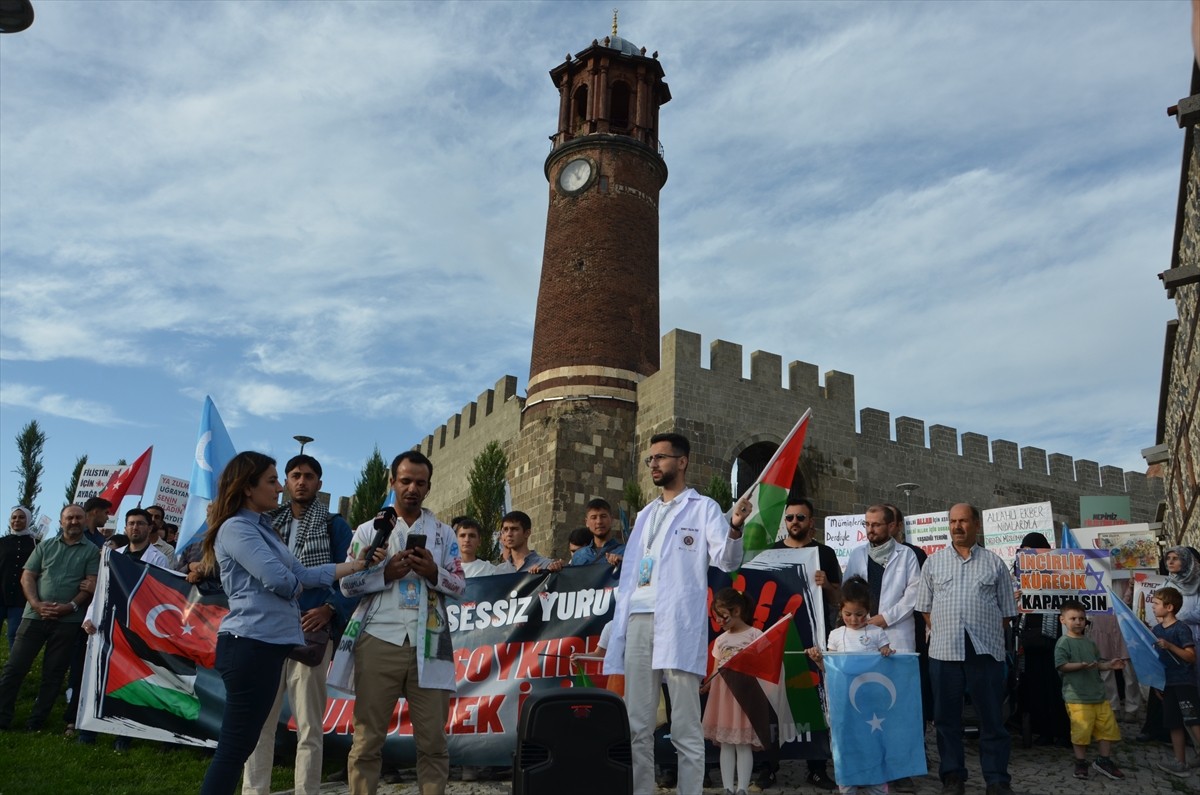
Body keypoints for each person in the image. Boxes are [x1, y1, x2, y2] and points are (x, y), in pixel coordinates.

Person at [197, 452, 367, 795]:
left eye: (280, 480)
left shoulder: (264, 528)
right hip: (250, 645)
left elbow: (302, 572)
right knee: (235, 747)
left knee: (246, 742)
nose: (281, 488)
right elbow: (279, 579)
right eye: (274, 480)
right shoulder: (237, 527)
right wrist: (295, 587)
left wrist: (356, 566)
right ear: (248, 487)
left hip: (271, 645)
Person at [603, 432, 748, 795]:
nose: (653, 464)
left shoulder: (703, 508)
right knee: (637, 723)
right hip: (638, 619)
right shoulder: (645, 514)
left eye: (661, 458)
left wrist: (735, 526)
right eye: (650, 459)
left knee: (685, 723)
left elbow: (728, 560)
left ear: (682, 462)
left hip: (677, 622)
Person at [339, 450, 466, 795]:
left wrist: (433, 572)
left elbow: (460, 585)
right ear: (392, 481)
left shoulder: (443, 534)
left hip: (430, 641)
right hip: (379, 638)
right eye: (406, 481)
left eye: (420, 483)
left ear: (428, 487)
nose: (412, 489)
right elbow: (346, 585)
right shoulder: (368, 530)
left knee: (433, 741)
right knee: (367, 739)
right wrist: (385, 574)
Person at [242, 454, 355, 795]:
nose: (301, 481)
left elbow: (351, 579)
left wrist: (330, 609)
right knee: (259, 722)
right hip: (267, 630)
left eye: (308, 476)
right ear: (286, 482)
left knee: (308, 725)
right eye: (295, 475)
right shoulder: (265, 523)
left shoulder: (334, 526)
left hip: (311, 632)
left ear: (319, 484)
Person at [915, 503, 1017, 795]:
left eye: (963, 521)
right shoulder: (933, 563)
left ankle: (996, 780)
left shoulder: (994, 563)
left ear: (976, 525)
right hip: (944, 652)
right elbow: (924, 608)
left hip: (984, 652)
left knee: (992, 719)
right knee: (946, 719)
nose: (957, 527)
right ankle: (952, 777)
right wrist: (946, 629)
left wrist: (983, 629)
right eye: (952, 521)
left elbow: (1007, 613)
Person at [0, 504, 99, 732]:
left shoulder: (92, 551)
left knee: (53, 673)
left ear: (85, 521)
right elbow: (27, 576)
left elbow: (91, 583)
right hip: (34, 616)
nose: (74, 522)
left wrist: (71, 606)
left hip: (68, 621)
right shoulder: (44, 546)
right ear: (61, 521)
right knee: (14, 668)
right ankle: (2, 718)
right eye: (69, 518)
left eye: (78, 518)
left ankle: (36, 722)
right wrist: (36, 604)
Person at [767, 497, 839, 791]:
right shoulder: (771, 553)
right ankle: (769, 766)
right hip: (780, 636)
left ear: (811, 521)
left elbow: (838, 598)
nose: (794, 522)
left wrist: (827, 584)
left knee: (815, 700)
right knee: (774, 700)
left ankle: (817, 768)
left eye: (800, 517)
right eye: (790, 518)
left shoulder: (825, 553)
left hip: (814, 637)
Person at [806, 577, 894, 795]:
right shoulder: (836, 635)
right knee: (845, 744)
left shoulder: (876, 633)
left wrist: (886, 652)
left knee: (873, 743)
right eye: (848, 614)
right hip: (844, 703)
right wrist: (818, 660)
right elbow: (830, 669)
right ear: (840, 610)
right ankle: (847, 784)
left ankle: (877, 784)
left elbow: (888, 665)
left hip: (871, 702)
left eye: (859, 614)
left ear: (868, 611)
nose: (854, 619)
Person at [701, 588, 764, 795]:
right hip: (723, 697)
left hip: (745, 696)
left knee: (743, 743)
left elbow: (764, 665)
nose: (719, 621)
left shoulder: (755, 635)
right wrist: (706, 685)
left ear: (736, 611)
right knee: (726, 742)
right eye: (716, 617)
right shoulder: (720, 640)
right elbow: (715, 670)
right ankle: (728, 787)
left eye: (722, 616)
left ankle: (742, 788)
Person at [1053, 599, 1125, 780]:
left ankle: (1104, 760)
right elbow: (1061, 665)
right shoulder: (1063, 642)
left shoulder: (1090, 642)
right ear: (1063, 620)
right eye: (1073, 618)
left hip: (1098, 695)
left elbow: (1097, 664)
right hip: (1077, 697)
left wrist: (1109, 665)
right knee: (1081, 731)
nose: (1078, 622)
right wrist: (1080, 665)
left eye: (1081, 618)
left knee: (1107, 728)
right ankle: (1080, 762)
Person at [1013, 532, 1070, 748]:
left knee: (1056, 686)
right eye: (1025, 551)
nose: (1029, 555)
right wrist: (1015, 597)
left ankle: (1063, 731)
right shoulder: (1018, 574)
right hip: (1031, 638)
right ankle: (1044, 730)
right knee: (1036, 686)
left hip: (1055, 637)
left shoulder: (1057, 572)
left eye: (1032, 550)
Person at [843, 505, 920, 653]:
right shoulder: (857, 554)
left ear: (891, 526)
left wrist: (887, 618)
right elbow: (848, 591)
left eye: (876, 525)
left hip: (897, 632)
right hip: (863, 629)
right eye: (867, 524)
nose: (870, 529)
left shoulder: (906, 554)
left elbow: (914, 593)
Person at [1150, 586, 1200, 777]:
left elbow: (1191, 657)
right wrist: (1157, 683)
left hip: (1184, 682)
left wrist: (1170, 646)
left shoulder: (1181, 628)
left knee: (1192, 719)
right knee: (1174, 723)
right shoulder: (1156, 630)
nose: (1153, 607)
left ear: (1169, 607)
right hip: (1167, 683)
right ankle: (1180, 762)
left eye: (1156, 604)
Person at [1, 506, 37, 651]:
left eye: (21, 517)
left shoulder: (35, 544)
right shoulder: (2, 542)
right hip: (0, 594)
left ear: (28, 520)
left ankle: (14, 665)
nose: (17, 520)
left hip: (21, 597)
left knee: (15, 634)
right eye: (14, 517)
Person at [492, 511, 563, 574]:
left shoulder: (546, 565)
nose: (509, 534)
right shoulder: (499, 571)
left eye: (514, 529)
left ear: (527, 533)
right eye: (505, 529)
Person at [569, 498, 625, 566]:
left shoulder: (626, 552)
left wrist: (624, 563)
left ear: (612, 520)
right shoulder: (579, 556)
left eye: (603, 516)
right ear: (587, 522)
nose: (599, 522)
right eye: (594, 517)